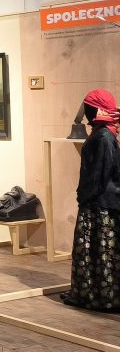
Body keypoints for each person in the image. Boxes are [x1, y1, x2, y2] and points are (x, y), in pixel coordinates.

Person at [61, 89, 120, 311]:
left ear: (96, 109)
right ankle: (93, 293)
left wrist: (85, 196)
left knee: (99, 252)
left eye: (88, 107)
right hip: (100, 202)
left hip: (99, 204)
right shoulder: (103, 133)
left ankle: (101, 297)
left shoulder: (103, 136)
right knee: (95, 251)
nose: (85, 111)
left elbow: (101, 173)